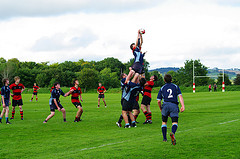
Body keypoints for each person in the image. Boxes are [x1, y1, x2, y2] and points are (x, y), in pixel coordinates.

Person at [157, 74, 185, 145]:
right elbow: (180, 96)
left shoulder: (162, 88)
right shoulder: (175, 86)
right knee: (174, 122)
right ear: (171, 80)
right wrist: (183, 106)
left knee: (164, 122)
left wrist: (161, 108)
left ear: (164, 80)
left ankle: (164, 139)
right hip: (174, 105)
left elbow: (158, 101)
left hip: (165, 105)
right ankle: (173, 133)